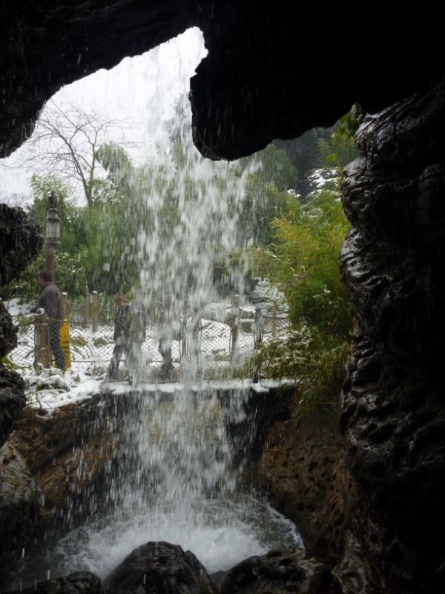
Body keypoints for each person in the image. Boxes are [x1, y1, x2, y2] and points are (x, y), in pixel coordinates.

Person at [36, 269, 65, 370]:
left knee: (55, 346)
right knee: (53, 346)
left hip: (51, 324)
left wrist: (45, 319)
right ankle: (54, 367)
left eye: (39, 278)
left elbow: (51, 311)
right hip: (51, 323)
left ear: (43, 279)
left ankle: (61, 368)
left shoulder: (50, 291)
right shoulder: (49, 289)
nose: (38, 281)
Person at [108, 293, 132, 380]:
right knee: (115, 356)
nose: (118, 305)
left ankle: (132, 376)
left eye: (119, 302)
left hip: (128, 338)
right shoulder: (118, 311)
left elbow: (131, 324)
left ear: (124, 301)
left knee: (129, 357)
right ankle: (112, 376)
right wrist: (116, 336)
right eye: (116, 303)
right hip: (120, 338)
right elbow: (117, 326)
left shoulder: (130, 310)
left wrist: (127, 336)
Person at [157, 294, 181, 377]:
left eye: (164, 301)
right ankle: (168, 365)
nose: (162, 302)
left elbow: (171, 322)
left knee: (166, 350)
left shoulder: (171, 311)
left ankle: (167, 370)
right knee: (161, 349)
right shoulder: (163, 310)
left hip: (167, 334)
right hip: (163, 334)